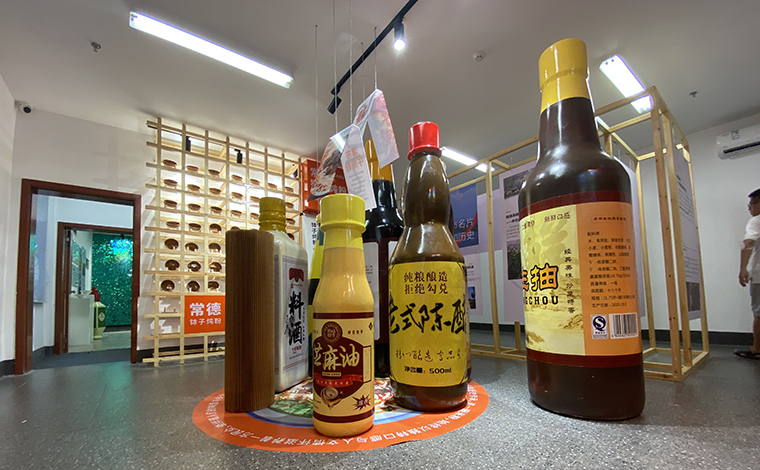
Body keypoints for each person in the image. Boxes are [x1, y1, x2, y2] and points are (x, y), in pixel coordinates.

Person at [736, 188, 760, 359]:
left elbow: (749, 242)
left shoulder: (756, 221)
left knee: (758, 313)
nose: (749, 208)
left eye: (752, 204)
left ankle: (756, 348)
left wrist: (743, 268)